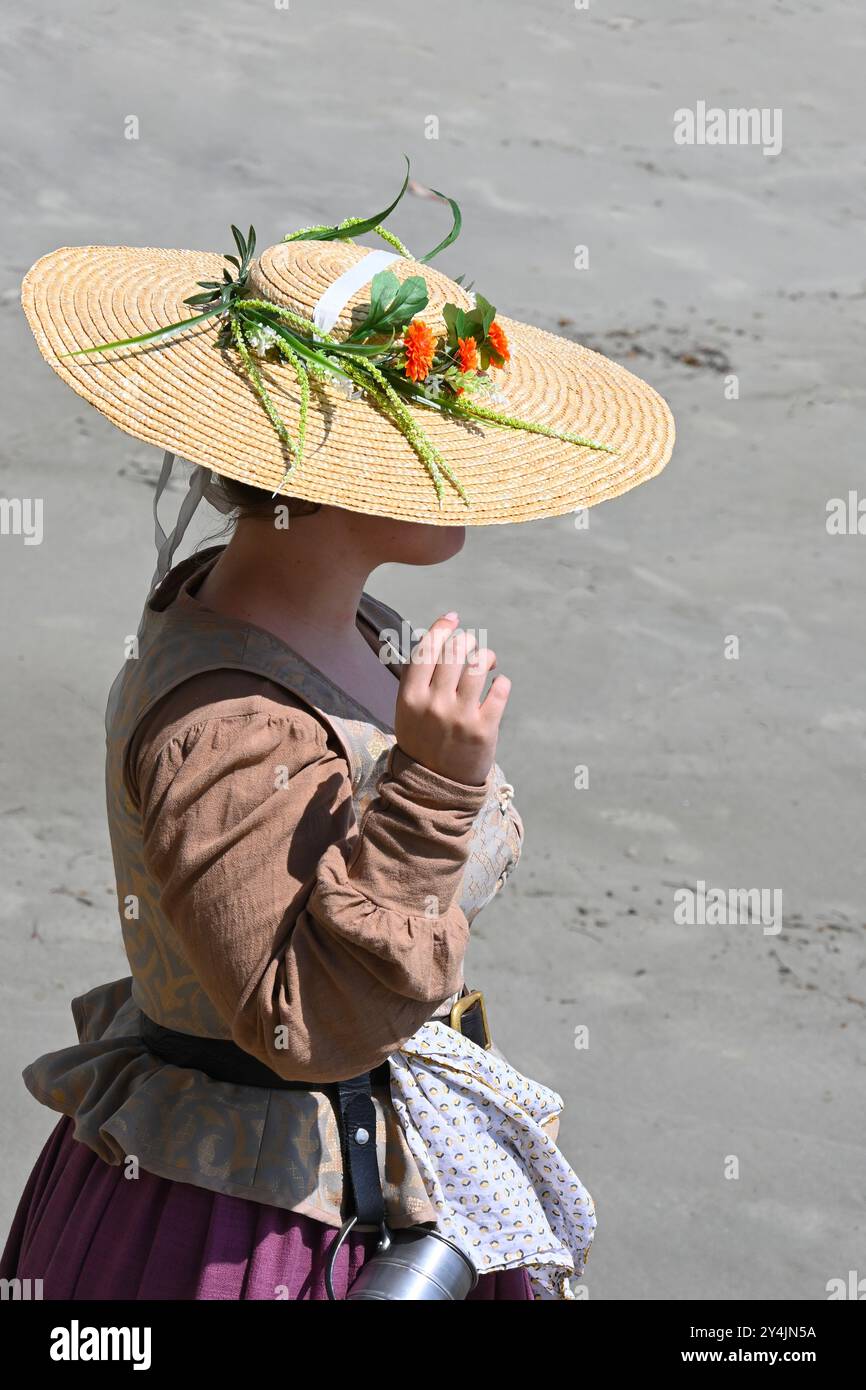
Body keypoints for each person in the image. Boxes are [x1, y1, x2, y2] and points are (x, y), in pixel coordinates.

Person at [1, 172, 674, 1299]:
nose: (473, 459)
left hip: (358, 1163)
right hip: (242, 1226)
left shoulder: (336, 620)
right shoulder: (226, 723)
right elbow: (300, 1026)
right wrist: (432, 789)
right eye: (435, 428)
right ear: (330, 475)